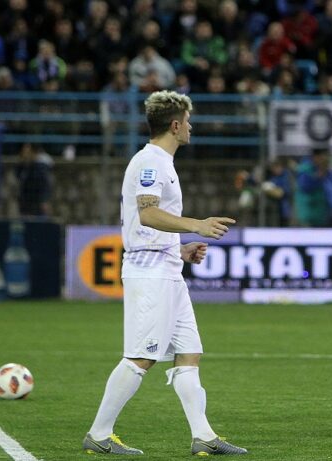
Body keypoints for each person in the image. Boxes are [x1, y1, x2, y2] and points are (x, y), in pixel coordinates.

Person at [82, 90, 247, 456]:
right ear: (175, 125)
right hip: (149, 272)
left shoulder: (162, 162)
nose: (190, 127)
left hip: (167, 267)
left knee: (189, 352)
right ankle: (99, 433)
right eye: (187, 121)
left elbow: (151, 223)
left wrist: (180, 249)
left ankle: (203, 435)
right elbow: (148, 213)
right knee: (142, 357)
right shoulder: (151, 162)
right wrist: (197, 225)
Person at [294, 148, 332, 227]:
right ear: (315, 156)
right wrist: (318, 176)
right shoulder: (305, 169)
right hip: (310, 214)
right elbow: (305, 187)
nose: (325, 158)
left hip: (324, 213)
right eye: (323, 156)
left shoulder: (323, 168)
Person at [15, 143, 53, 217]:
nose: (25, 155)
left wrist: (44, 200)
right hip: (25, 203)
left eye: (27, 152)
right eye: (23, 152)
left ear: (33, 153)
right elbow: (19, 178)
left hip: (37, 203)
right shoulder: (22, 167)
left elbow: (45, 185)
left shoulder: (40, 168)